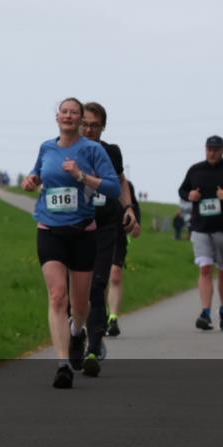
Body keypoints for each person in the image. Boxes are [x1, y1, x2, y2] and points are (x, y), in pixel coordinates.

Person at [21, 97, 120, 388]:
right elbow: (38, 173)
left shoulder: (92, 150)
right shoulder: (46, 147)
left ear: (80, 120)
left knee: (80, 304)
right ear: (57, 117)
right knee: (57, 297)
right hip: (49, 228)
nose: (68, 116)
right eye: (64, 112)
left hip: (82, 232)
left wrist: (82, 176)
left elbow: (113, 186)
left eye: (73, 113)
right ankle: (62, 363)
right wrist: (31, 180)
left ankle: (78, 332)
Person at [78, 102, 139, 364]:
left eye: (95, 125)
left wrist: (128, 208)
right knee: (76, 291)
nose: (89, 129)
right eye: (85, 124)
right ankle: (75, 334)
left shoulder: (111, 152)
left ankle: (94, 345)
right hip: (75, 228)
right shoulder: (66, 149)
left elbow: (121, 181)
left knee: (98, 285)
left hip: (105, 226)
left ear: (103, 127)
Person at [177, 135, 223, 331]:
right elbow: (182, 190)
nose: (211, 152)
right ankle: (205, 312)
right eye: (209, 149)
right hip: (201, 227)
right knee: (204, 268)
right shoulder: (195, 170)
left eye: (216, 149)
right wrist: (189, 195)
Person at [107, 179, 141, 337]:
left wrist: (136, 224)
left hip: (118, 233)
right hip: (93, 233)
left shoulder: (124, 184)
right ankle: (100, 315)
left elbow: (133, 206)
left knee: (115, 275)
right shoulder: (89, 179)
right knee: (96, 279)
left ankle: (113, 318)